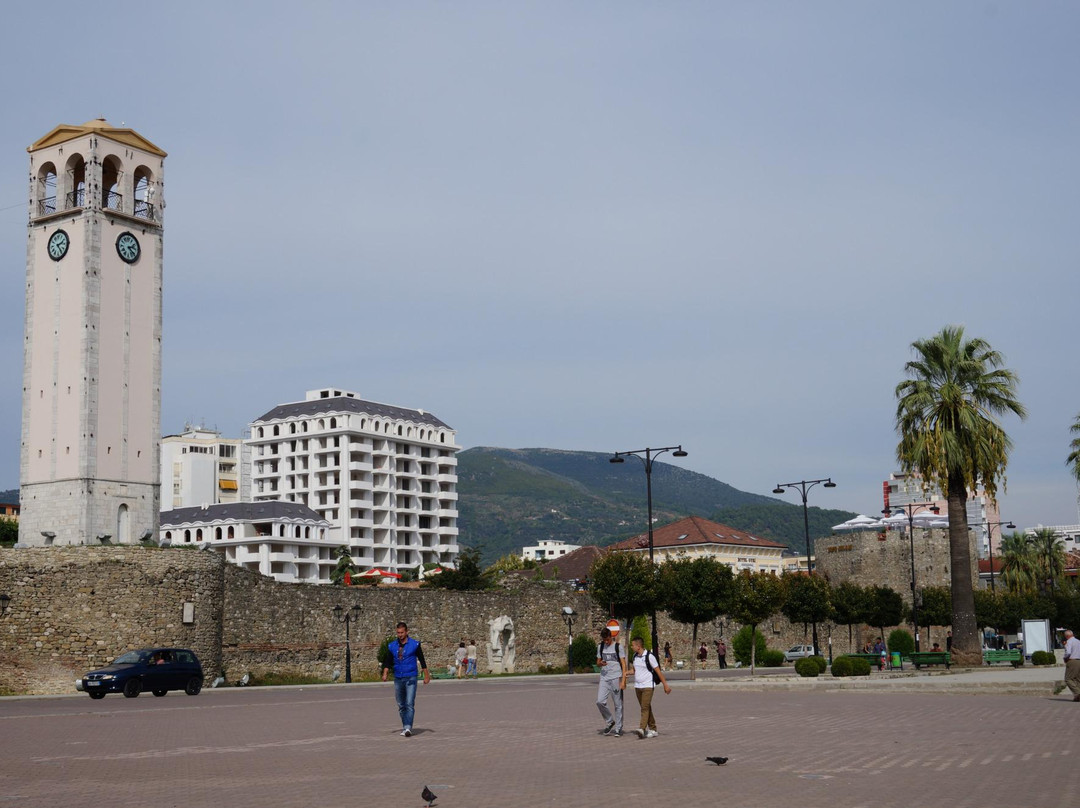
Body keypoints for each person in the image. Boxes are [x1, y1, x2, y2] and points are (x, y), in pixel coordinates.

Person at [381, 621, 431, 737]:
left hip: (411, 677)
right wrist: (385, 672)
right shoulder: (392, 646)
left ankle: (408, 727)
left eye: (402, 632)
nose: (400, 635)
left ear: (407, 632)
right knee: (401, 704)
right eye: (398, 633)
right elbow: (388, 660)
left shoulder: (415, 644)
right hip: (398, 677)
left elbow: (422, 660)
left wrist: (426, 675)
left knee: (409, 703)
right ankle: (405, 726)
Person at [630, 636, 671, 738]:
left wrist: (665, 685)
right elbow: (635, 671)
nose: (632, 647)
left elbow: (658, 671)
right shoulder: (635, 656)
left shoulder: (649, 656)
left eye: (633, 645)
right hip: (637, 687)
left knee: (644, 708)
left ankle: (642, 729)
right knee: (646, 707)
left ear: (638, 646)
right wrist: (626, 673)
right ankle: (653, 729)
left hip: (648, 686)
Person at [595, 627, 627, 737]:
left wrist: (623, 680)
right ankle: (610, 721)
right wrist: (601, 664)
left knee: (618, 704)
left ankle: (618, 728)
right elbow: (598, 662)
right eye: (604, 640)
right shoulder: (601, 646)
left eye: (607, 639)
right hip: (604, 677)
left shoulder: (618, 647)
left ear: (611, 637)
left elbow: (623, 664)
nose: (606, 642)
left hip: (616, 677)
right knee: (600, 701)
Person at [1063, 629, 1080, 702]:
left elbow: (1068, 652)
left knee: (1068, 679)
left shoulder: (1069, 642)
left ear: (1066, 636)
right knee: (1077, 679)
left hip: (1072, 660)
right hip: (1079, 660)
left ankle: (1078, 693)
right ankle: (1078, 697)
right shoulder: (1078, 641)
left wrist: (1065, 658)